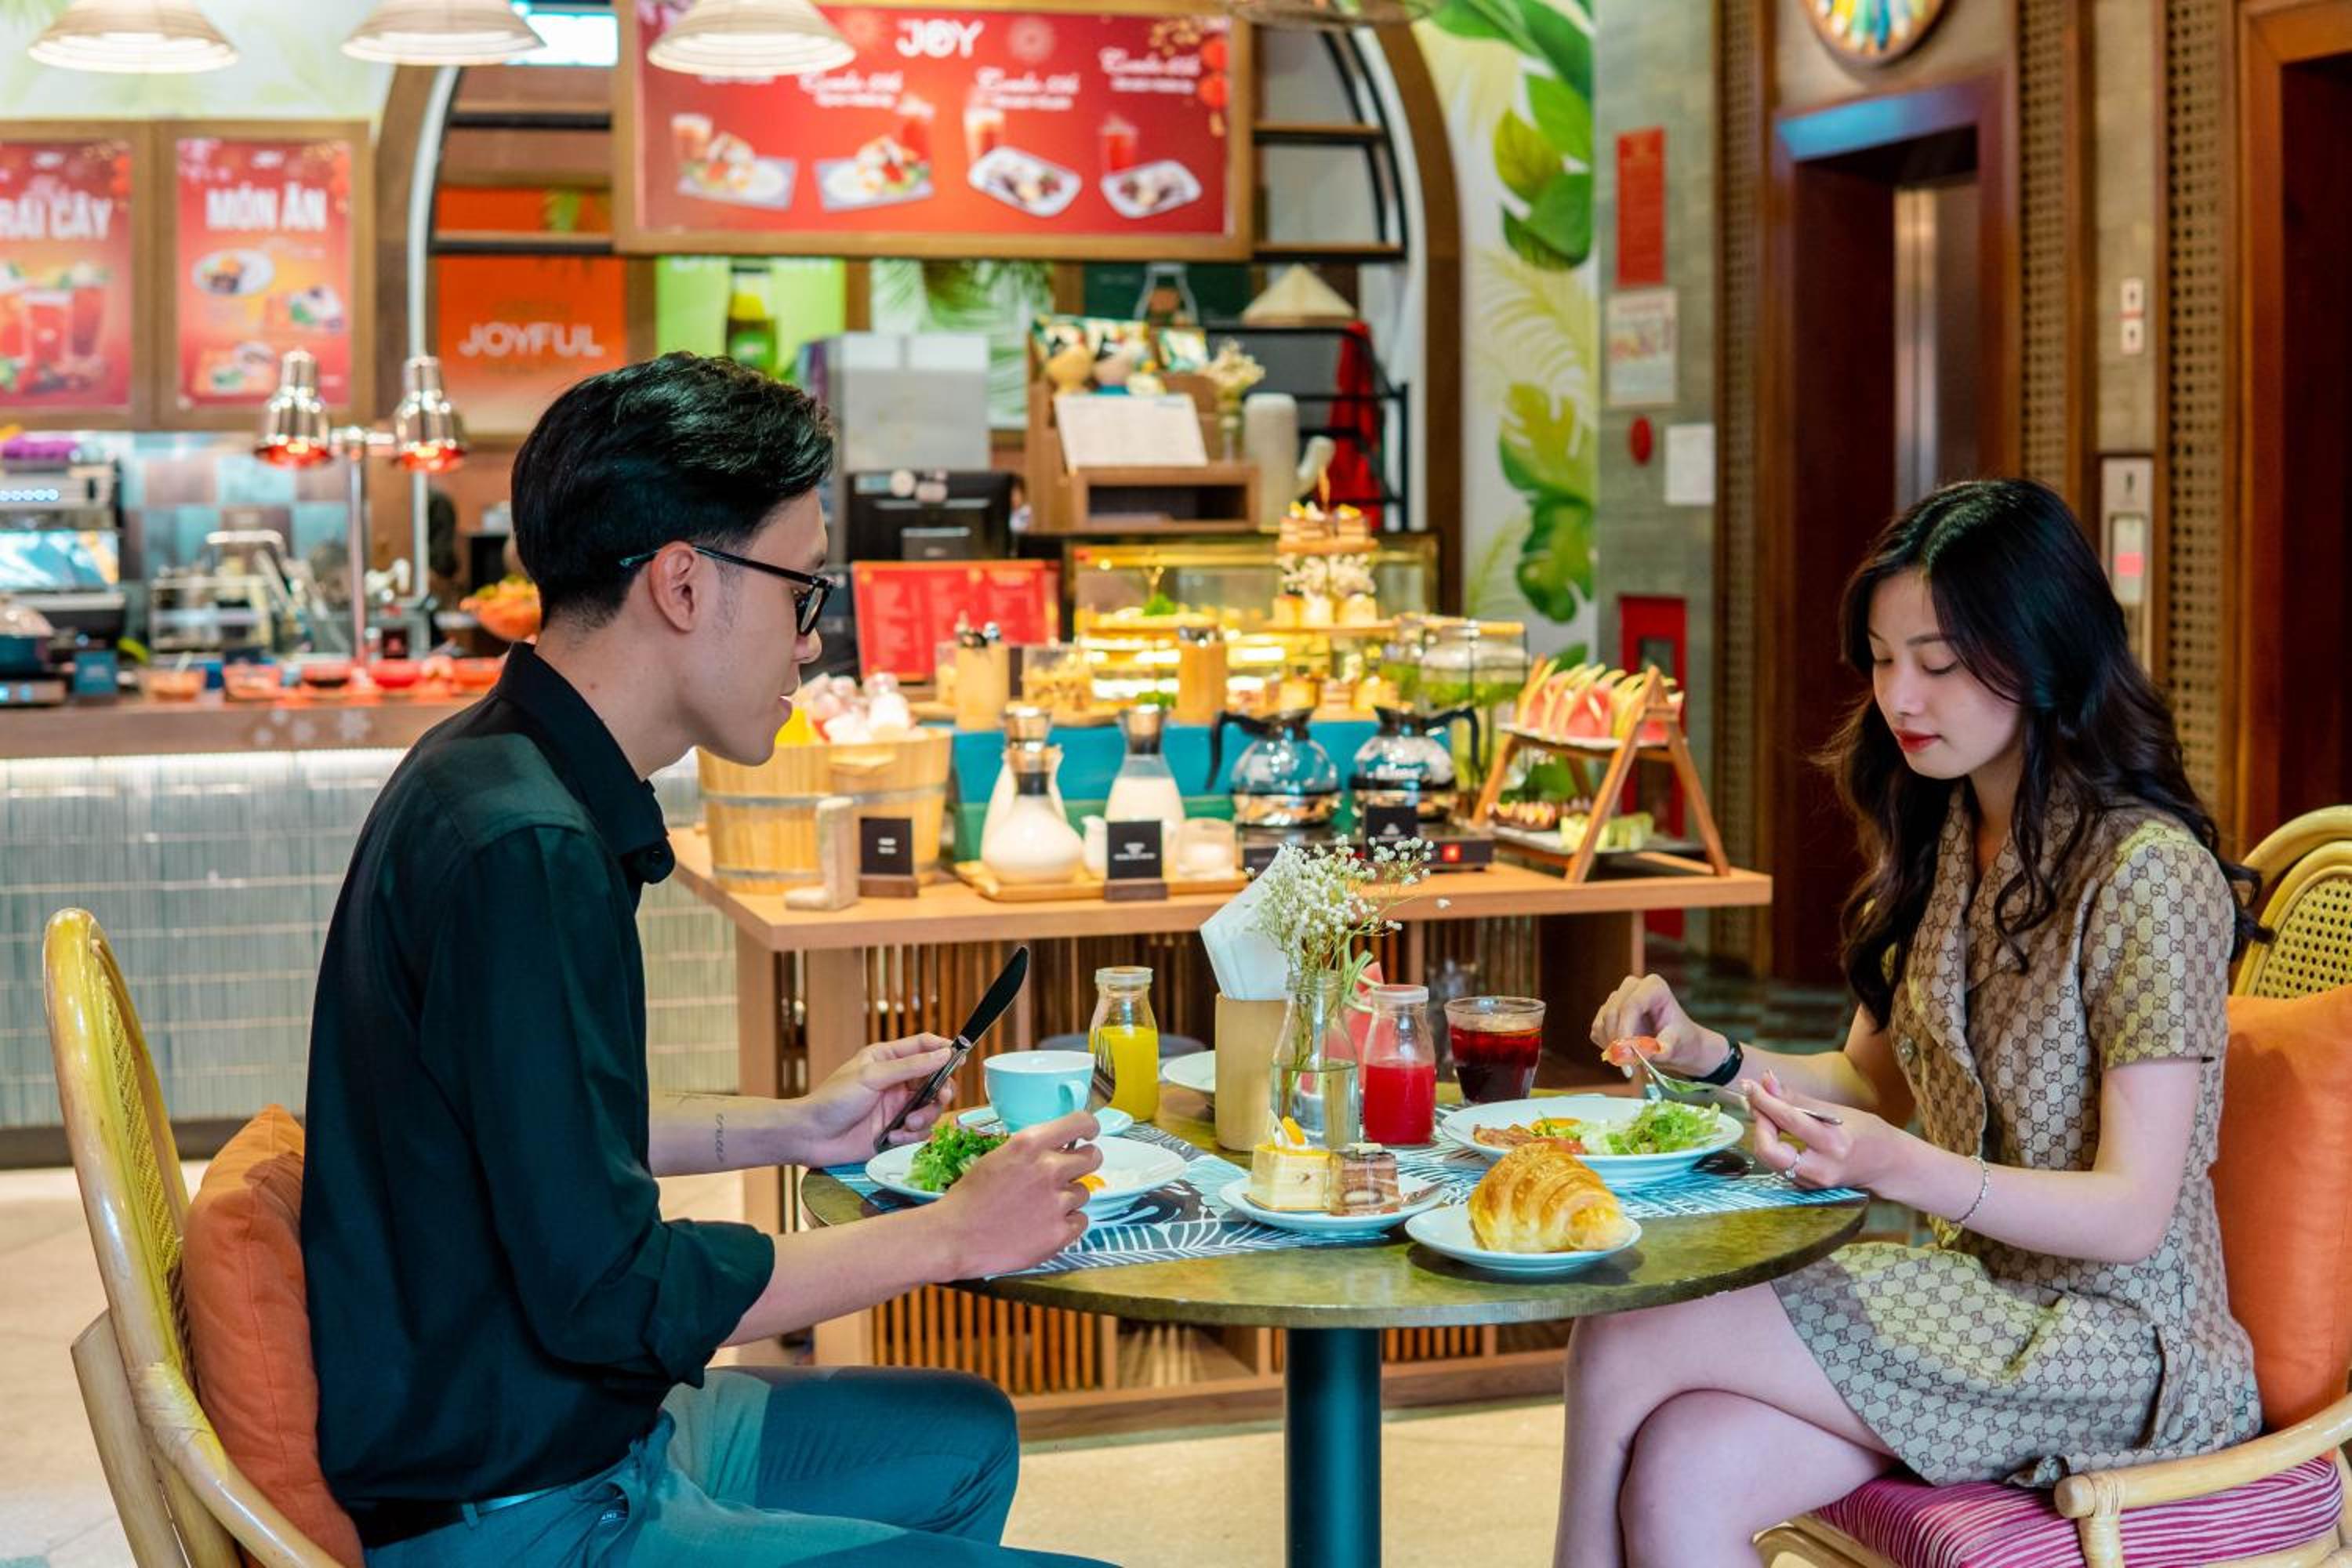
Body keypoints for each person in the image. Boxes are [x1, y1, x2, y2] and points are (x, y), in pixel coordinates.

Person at [303, 353, 1109, 1567]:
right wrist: (953, 1235)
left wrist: (799, 1125)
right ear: (682, 584)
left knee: (964, 1436)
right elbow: (611, 1292)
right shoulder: (525, 847)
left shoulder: (496, 769)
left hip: (575, 1437)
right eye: (803, 593)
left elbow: (541, 1135)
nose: (813, 645)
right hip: (524, 1503)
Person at [1559, 478, 2265, 1566]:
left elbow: (2131, 1214)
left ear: (2040, 652)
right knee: (1686, 1465)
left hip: (2122, 1353)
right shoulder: (1944, 837)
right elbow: (1871, 1085)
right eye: (1884, 660)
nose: (1899, 695)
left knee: (1626, 1323)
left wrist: (1903, 1170)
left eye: (1937, 663)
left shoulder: (2146, 875)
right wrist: (1710, 1056)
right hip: (1973, 1307)